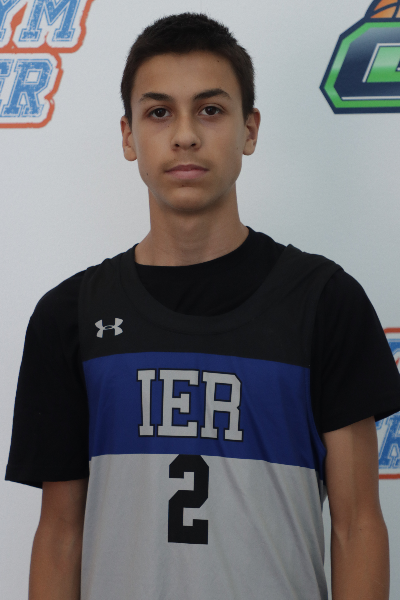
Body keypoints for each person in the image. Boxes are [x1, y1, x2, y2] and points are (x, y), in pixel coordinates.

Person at [5, 12, 400, 600]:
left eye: (210, 109)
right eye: (159, 112)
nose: (185, 135)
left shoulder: (324, 302)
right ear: (128, 136)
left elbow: (358, 526)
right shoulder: (69, 315)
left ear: (249, 129)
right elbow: (61, 535)